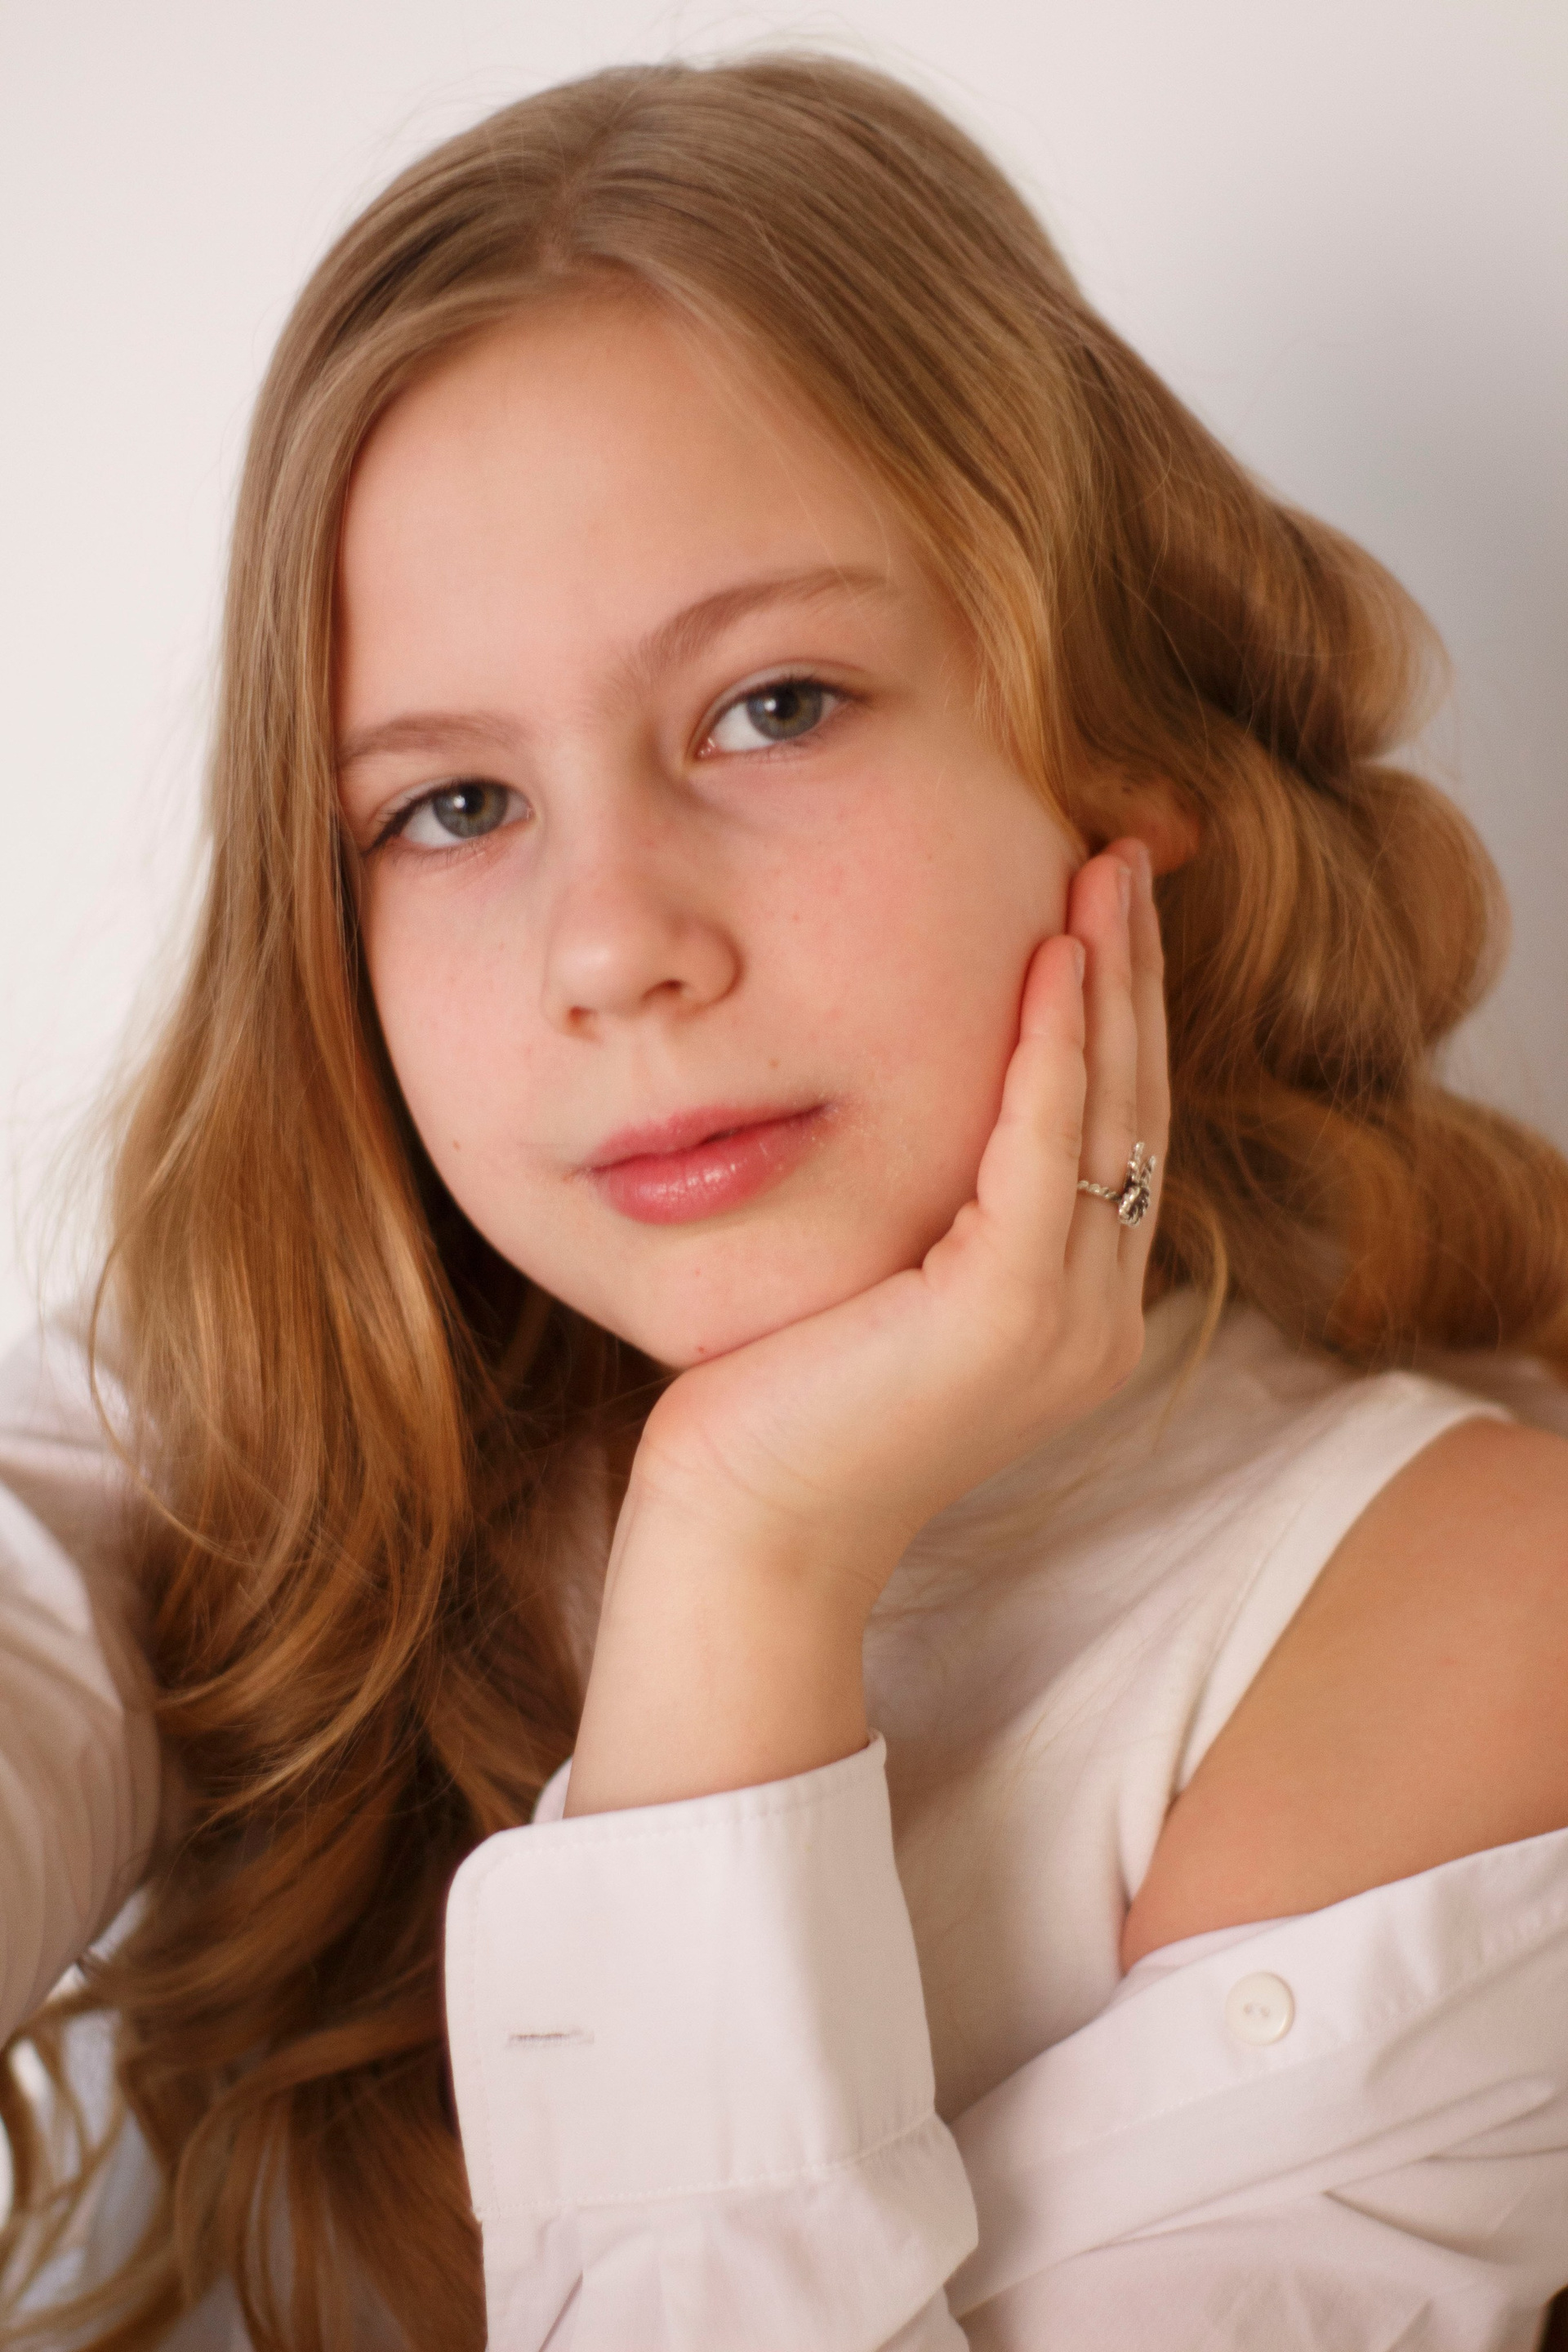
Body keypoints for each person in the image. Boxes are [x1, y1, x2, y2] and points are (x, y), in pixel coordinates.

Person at [3, 49, 1568, 2352]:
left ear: (1121, 746)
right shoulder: (260, 1400)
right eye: (451, 808)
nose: (612, 946)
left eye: (774, 707)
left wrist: (748, 1557)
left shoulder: (1462, 1608)